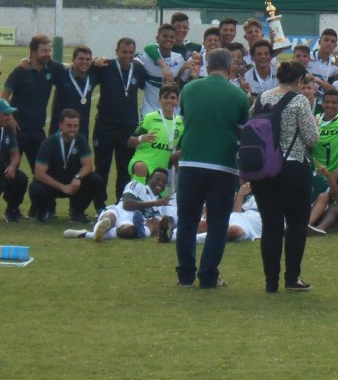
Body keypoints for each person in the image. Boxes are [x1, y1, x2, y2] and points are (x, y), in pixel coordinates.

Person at [174, 48, 250, 289]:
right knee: (217, 224)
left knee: (187, 221)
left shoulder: (189, 89)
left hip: (190, 163)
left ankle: (185, 275)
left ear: (207, 66)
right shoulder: (239, 96)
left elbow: (186, 120)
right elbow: (243, 134)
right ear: (230, 68)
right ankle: (208, 276)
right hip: (223, 166)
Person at [250, 61, 321, 292]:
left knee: (270, 225)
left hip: (263, 167)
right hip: (293, 166)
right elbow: (311, 139)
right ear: (299, 80)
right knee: (297, 223)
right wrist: (316, 124)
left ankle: (270, 282)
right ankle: (292, 278)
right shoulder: (300, 101)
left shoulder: (261, 98)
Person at [28, 109, 107, 224]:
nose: (73, 129)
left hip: (73, 185)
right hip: (52, 185)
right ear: (60, 125)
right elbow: (39, 173)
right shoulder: (49, 143)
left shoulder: (80, 139)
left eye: (76, 126)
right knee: (35, 188)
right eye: (69, 126)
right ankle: (42, 211)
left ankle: (77, 212)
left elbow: (88, 165)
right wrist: (62, 187)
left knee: (95, 179)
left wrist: (77, 177)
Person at [93, 37, 147, 202]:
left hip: (128, 127)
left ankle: (120, 204)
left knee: (125, 170)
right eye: (124, 52)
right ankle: (100, 205)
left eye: (131, 52)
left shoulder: (139, 69)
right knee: (102, 168)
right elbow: (81, 67)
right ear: (116, 52)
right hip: (105, 126)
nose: (127, 56)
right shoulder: (105, 67)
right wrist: (95, 61)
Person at [2, 34, 66, 172]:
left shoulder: (52, 67)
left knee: (43, 172)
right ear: (33, 51)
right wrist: (10, 118)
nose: (48, 54)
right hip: (17, 129)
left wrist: (95, 61)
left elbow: (72, 67)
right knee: (10, 172)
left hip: (37, 130)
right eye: (44, 51)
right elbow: (4, 97)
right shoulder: (20, 71)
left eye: (49, 50)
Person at [69, 168, 172, 241]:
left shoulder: (160, 206)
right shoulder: (136, 185)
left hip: (131, 221)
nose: (160, 183)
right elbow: (127, 204)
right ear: (149, 179)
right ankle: (100, 228)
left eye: (164, 182)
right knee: (109, 218)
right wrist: (154, 203)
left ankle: (88, 234)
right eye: (157, 179)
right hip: (119, 211)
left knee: (128, 231)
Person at [127, 82, 183, 182]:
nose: (169, 101)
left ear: (177, 100)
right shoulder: (150, 118)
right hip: (143, 162)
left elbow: (180, 149)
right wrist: (141, 138)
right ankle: (137, 190)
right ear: (159, 99)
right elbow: (130, 142)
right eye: (165, 97)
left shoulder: (180, 123)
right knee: (140, 167)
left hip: (161, 170)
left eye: (172, 98)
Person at [49, 45, 99, 138]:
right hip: (59, 130)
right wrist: (27, 60)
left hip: (82, 131)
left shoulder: (93, 76)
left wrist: (98, 61)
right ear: (73, 60)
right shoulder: (61, 74)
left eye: (88, 59)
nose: (84, 62)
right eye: (81, 59)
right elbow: (46, 63)